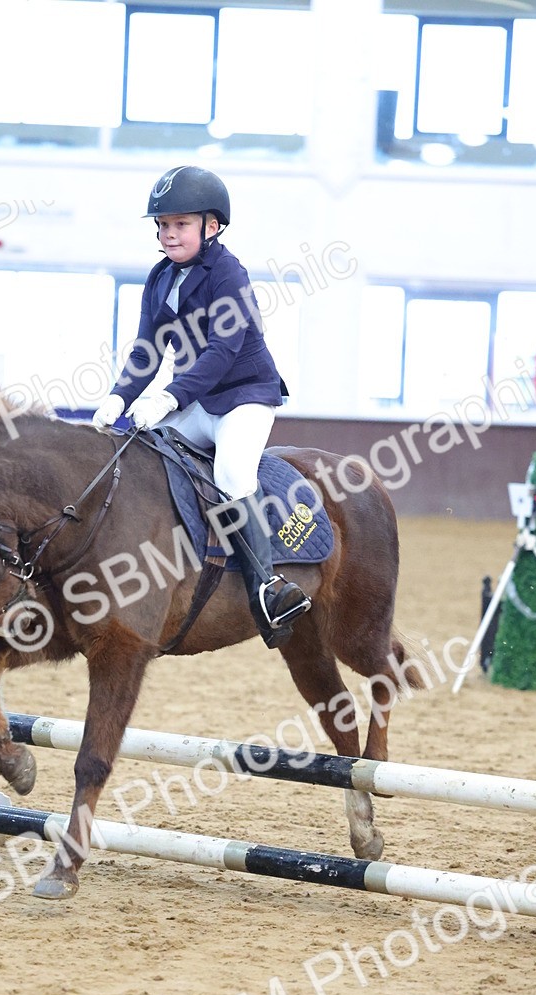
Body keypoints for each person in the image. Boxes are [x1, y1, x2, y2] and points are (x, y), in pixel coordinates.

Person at [92, 165, 308, 648]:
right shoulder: (160, 278)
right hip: (197, 400)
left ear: (212, 226)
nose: (169, 233)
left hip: (244, 397)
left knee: (231, 475)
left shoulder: (229, 273)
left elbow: (221, 352)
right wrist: (118, 397)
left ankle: (268, 588)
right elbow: (147, 351)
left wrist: (169, 397)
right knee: (138, 451)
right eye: (163, 225)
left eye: (181, 224)